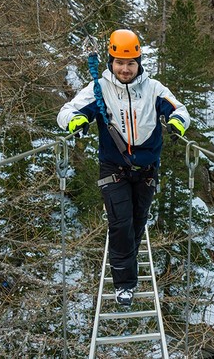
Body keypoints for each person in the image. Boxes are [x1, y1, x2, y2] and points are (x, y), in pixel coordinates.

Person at [57, 29, 190, 307]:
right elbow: (66, 112)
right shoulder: (99, 89)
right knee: (120, 224)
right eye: (119, 62)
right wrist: (76, 121)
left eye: (130, 63)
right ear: (111, 61)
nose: (125, 69)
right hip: (113, 167)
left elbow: (180, 110)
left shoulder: (153, 89)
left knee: (136, 223)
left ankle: (126, 256)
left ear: (139, 62)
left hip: (147, 169)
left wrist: (176, 122)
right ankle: (125, 284)